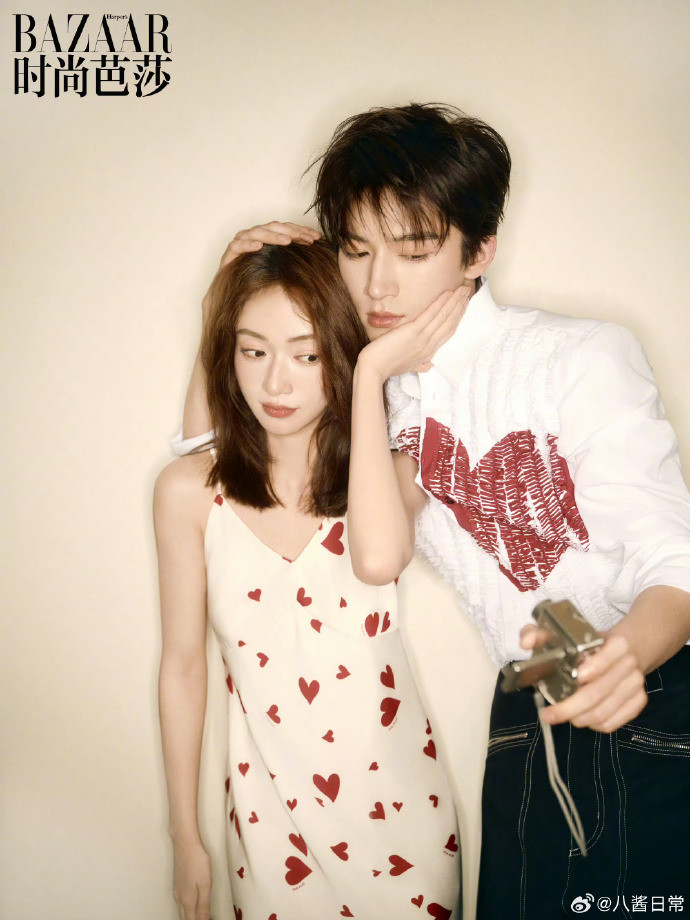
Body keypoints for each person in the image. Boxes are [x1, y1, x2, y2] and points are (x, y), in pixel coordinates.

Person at [176, 104, 690, 919]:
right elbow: (217, 452)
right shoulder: (372, 389)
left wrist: (624, 656)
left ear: (479, 251)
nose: (379, 285)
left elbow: (674, 561)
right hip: (527, 699)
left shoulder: (576, 355)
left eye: (414, 251)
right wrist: (228, 292)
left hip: (646, 690)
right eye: (356, 250)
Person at [155, 240, 462, 920]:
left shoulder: (392, 478)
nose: (275, 383)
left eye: (307, 354)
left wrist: (373, 371)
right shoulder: (189, 495)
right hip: (270, 837)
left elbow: (380, 556)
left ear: (342, 355)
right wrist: (184, 834)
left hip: (404, 828)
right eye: (252, 351)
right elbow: (182, 668)